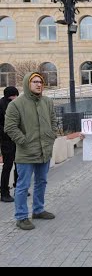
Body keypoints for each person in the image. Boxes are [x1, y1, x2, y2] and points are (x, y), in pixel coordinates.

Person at [4, 73, 57, 230]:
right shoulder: (16, 104)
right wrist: (23, 141)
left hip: (44, 151)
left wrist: (52, 136)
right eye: (35, 81)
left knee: (42, 182)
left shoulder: (47, 102)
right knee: (23, 185)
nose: (38, 84)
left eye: (40, 81)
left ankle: (38, 210)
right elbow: (10, 127)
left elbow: (53, 120)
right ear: (28, 83)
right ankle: (21, 217)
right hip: (26, 153)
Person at [0, 86, 19, 202]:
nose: (16, 97)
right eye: (15, 95)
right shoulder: (2, 105)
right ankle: (4, 193)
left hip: (17, 139)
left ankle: (19, 188)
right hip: (7, 140)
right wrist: (7, 132)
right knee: (8, 166)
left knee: (19, 164)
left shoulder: (15, 103)